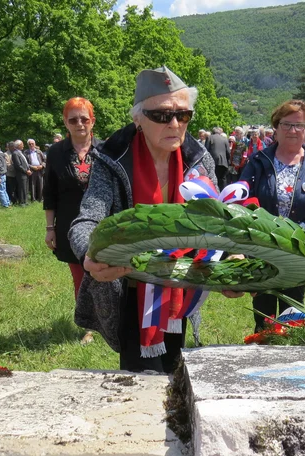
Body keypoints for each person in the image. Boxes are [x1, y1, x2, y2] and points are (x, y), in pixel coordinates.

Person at [70, 66, 218, 373]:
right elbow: (87, 220)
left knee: (177, 374)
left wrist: (232, 255)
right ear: (138, 118)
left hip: (181, 285)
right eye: (162, 116)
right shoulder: (111, 160)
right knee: (139, 384)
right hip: (129, 290)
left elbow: (217, 220)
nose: (175, 124)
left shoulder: (199, 160)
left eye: (184, 115)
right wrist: (89, 255)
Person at [240, 99, 305, 331]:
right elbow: (241, 202)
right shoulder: (258, 162)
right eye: (286, 124)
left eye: (299, 125)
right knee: (263, 313)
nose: (293, 131)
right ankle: (260, 351)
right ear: (276, 126)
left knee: (291, 313)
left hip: (300, 252)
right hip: (263, 249)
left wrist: (293, 238)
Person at [43, 97, 100, 300]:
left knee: (105, 274)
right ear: (65, 122)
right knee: (80, 277)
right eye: (73, 120)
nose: (79, 124)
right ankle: (87, 326)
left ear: (92, 121)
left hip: (101, 223)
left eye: (84, 119)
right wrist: (50, 229)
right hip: (69, 224)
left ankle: (110, 322)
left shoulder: (104, 151)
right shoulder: (56, 153)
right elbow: (49, 192)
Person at [12, 140, 31, 206]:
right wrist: (26, 171)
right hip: (21, 174)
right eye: (22, 144)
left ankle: (25, 201)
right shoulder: (15, 153)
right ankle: (22, 202)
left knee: (25, 187)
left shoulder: (20, 153)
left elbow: (25, 163)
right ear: (19, 145)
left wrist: (28, 170)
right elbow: (18, 165)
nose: (23, 145)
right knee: (22, 188)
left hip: (25, 173)